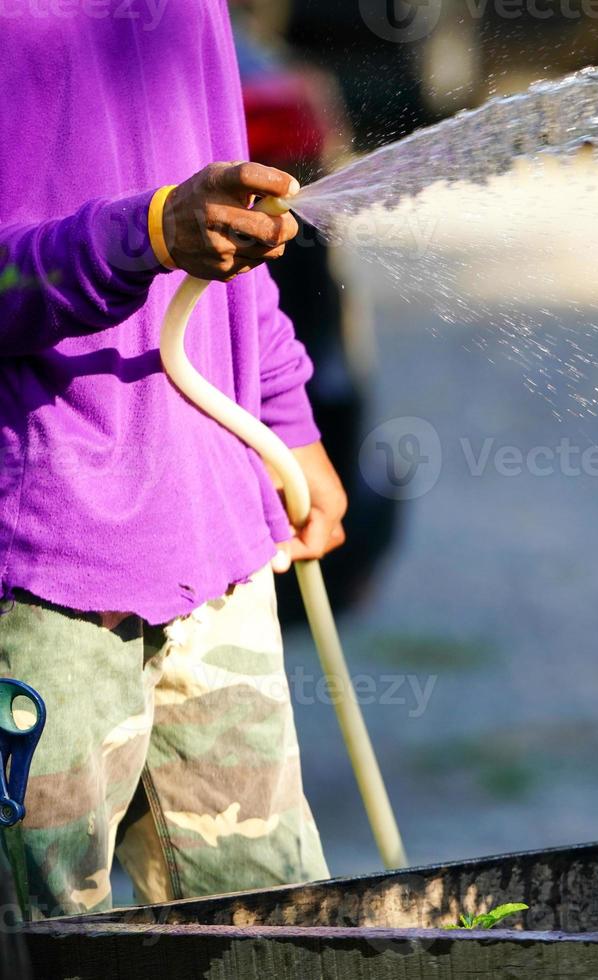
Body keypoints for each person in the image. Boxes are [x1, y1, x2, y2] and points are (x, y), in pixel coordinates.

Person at [0, 11, 345, 915]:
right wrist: (146, 233)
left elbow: (235, 232)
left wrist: (283, 415)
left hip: (216, 539)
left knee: (284, 929)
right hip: (43, 577)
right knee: (42, 937)